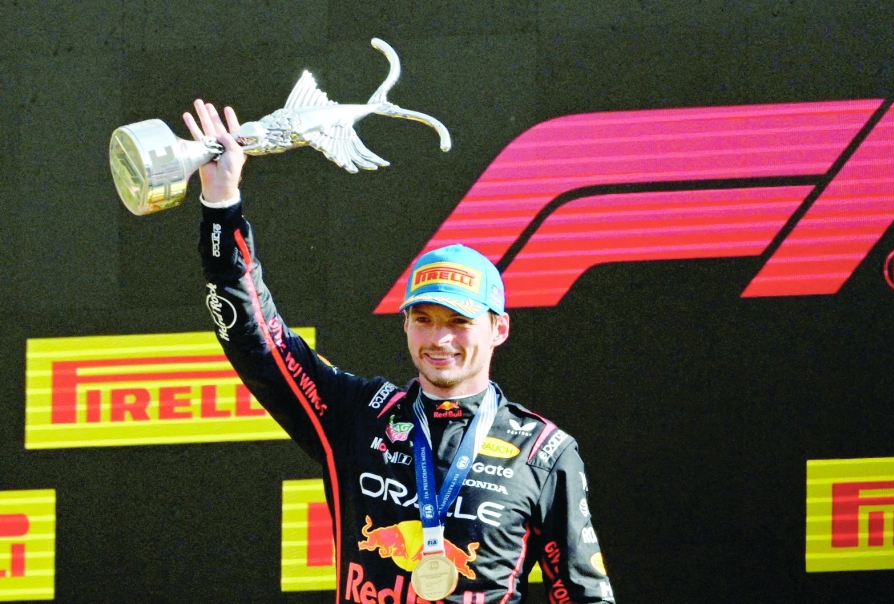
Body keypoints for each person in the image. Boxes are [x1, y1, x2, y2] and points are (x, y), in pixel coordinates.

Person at [186, 99, 615, 603]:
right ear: (406, 323)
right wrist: (222, 204)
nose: (439, 339)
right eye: (424, 320)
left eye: (459, 322)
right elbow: (259, 341)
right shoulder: (357, 416)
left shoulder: (544, 453)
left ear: (499, 329)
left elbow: (585, 596)